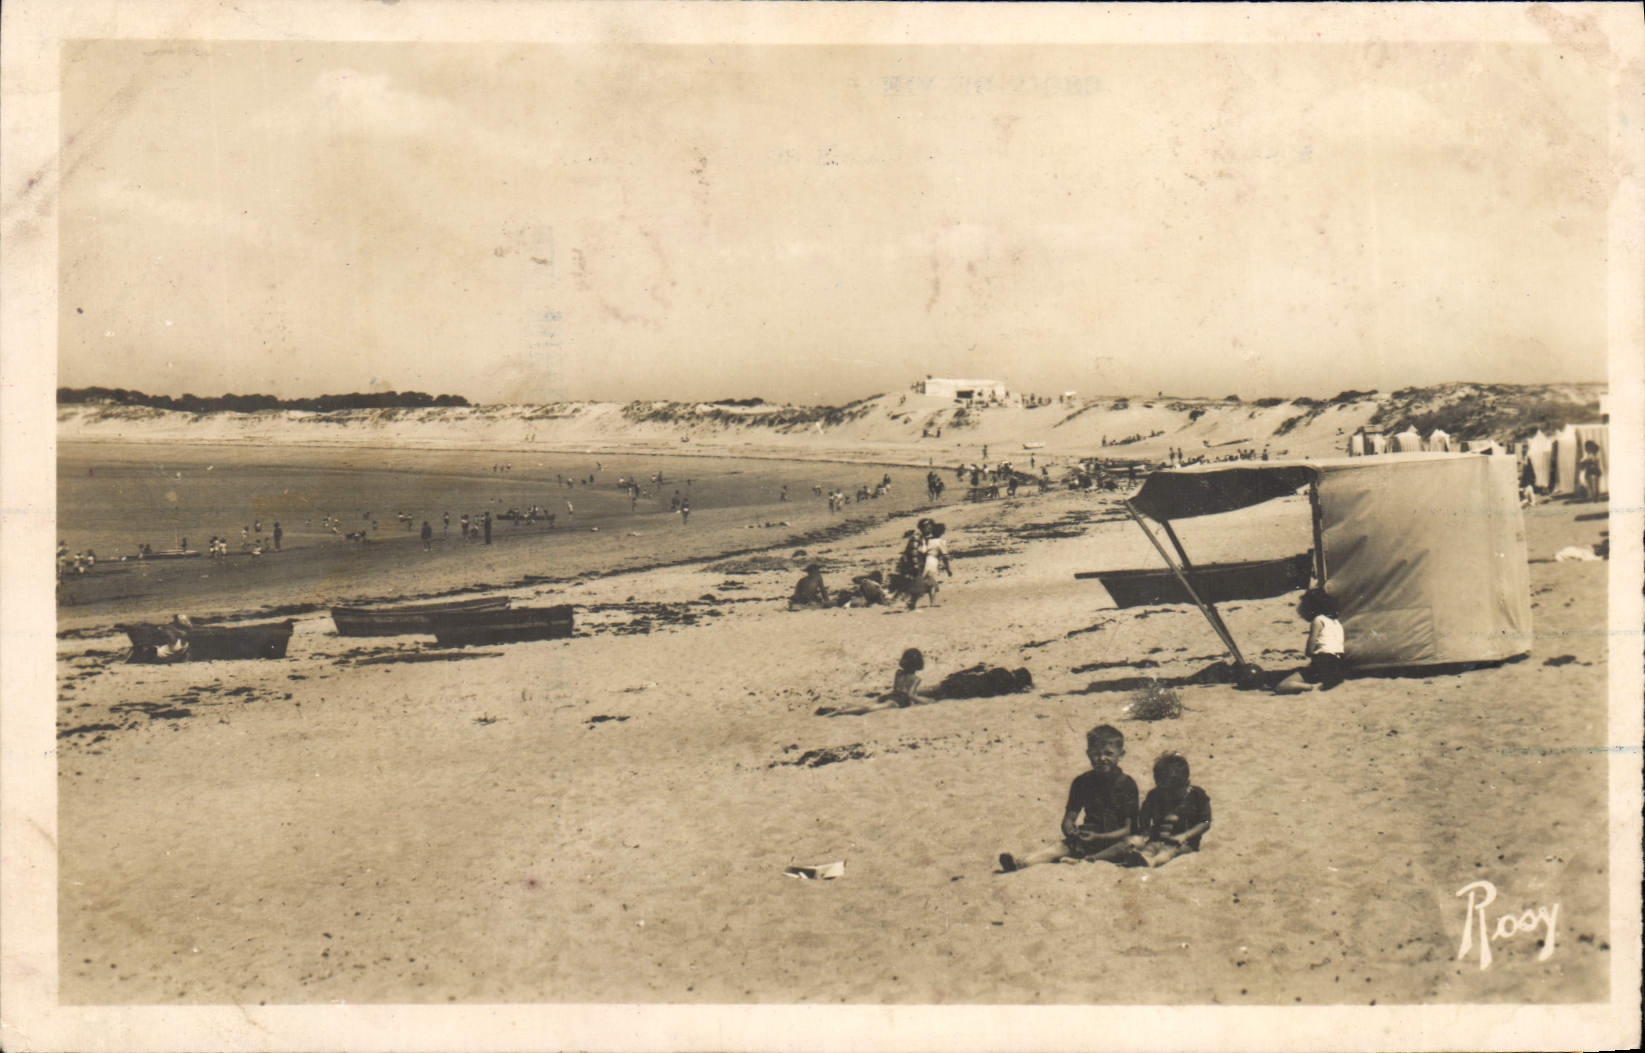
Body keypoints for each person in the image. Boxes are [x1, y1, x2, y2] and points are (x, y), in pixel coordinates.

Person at [999, 725, 1139, 871]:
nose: (1102, 758)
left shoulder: (1127, 785)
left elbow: (1128, 829)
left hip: (1113, 840)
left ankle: (1088, 860)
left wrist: (1098, 837)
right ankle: (1021, 863)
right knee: (1057, 848)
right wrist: (1070, 830)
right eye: (1096, 753)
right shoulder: (1082, 782)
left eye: (1108, 754)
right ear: (1088, 754)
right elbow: (1069, 818)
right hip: (1088, 837)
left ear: (1121, 755)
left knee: (1132, 843)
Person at [1120, 752, 1212, 868]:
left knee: (1167, 853)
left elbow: (1205, 822)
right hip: (1157, 839)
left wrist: (1185, 835)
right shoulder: (1155, 794)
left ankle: (1152, 862)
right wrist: (1146, 830)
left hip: (1183, 843)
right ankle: (1142, 858)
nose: (1168, 796)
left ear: (1186, 783)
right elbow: (1144, 815)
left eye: (1174, 792)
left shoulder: (1196, 795)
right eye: (1164, 791)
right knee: (1148, 849)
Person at [816, 648, 930, 716]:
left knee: (866, 705)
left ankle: (840, 708)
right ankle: (839, 713)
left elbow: (895, 688)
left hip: (891, 695)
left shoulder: (898, 673)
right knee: (868, 709)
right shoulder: (916, 679)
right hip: (898, 701)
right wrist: (927, 702)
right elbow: (911, 695)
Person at [1275, 589, 1346, 693]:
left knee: (1282, 686)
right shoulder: (1336, 623)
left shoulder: (1318, 620)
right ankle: (1326, 682)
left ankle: (1310, 688)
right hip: (1339, 664)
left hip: (1323, 661)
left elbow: (1309, 650)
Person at [907, 521, 952, 611]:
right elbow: (945, 556)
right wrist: (948, 569)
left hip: (923, 561)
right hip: (931, 562)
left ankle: (923, 602)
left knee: (926, 582)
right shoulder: (939, 541)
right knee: (926, 583)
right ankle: (918, 602)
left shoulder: (926, 540)